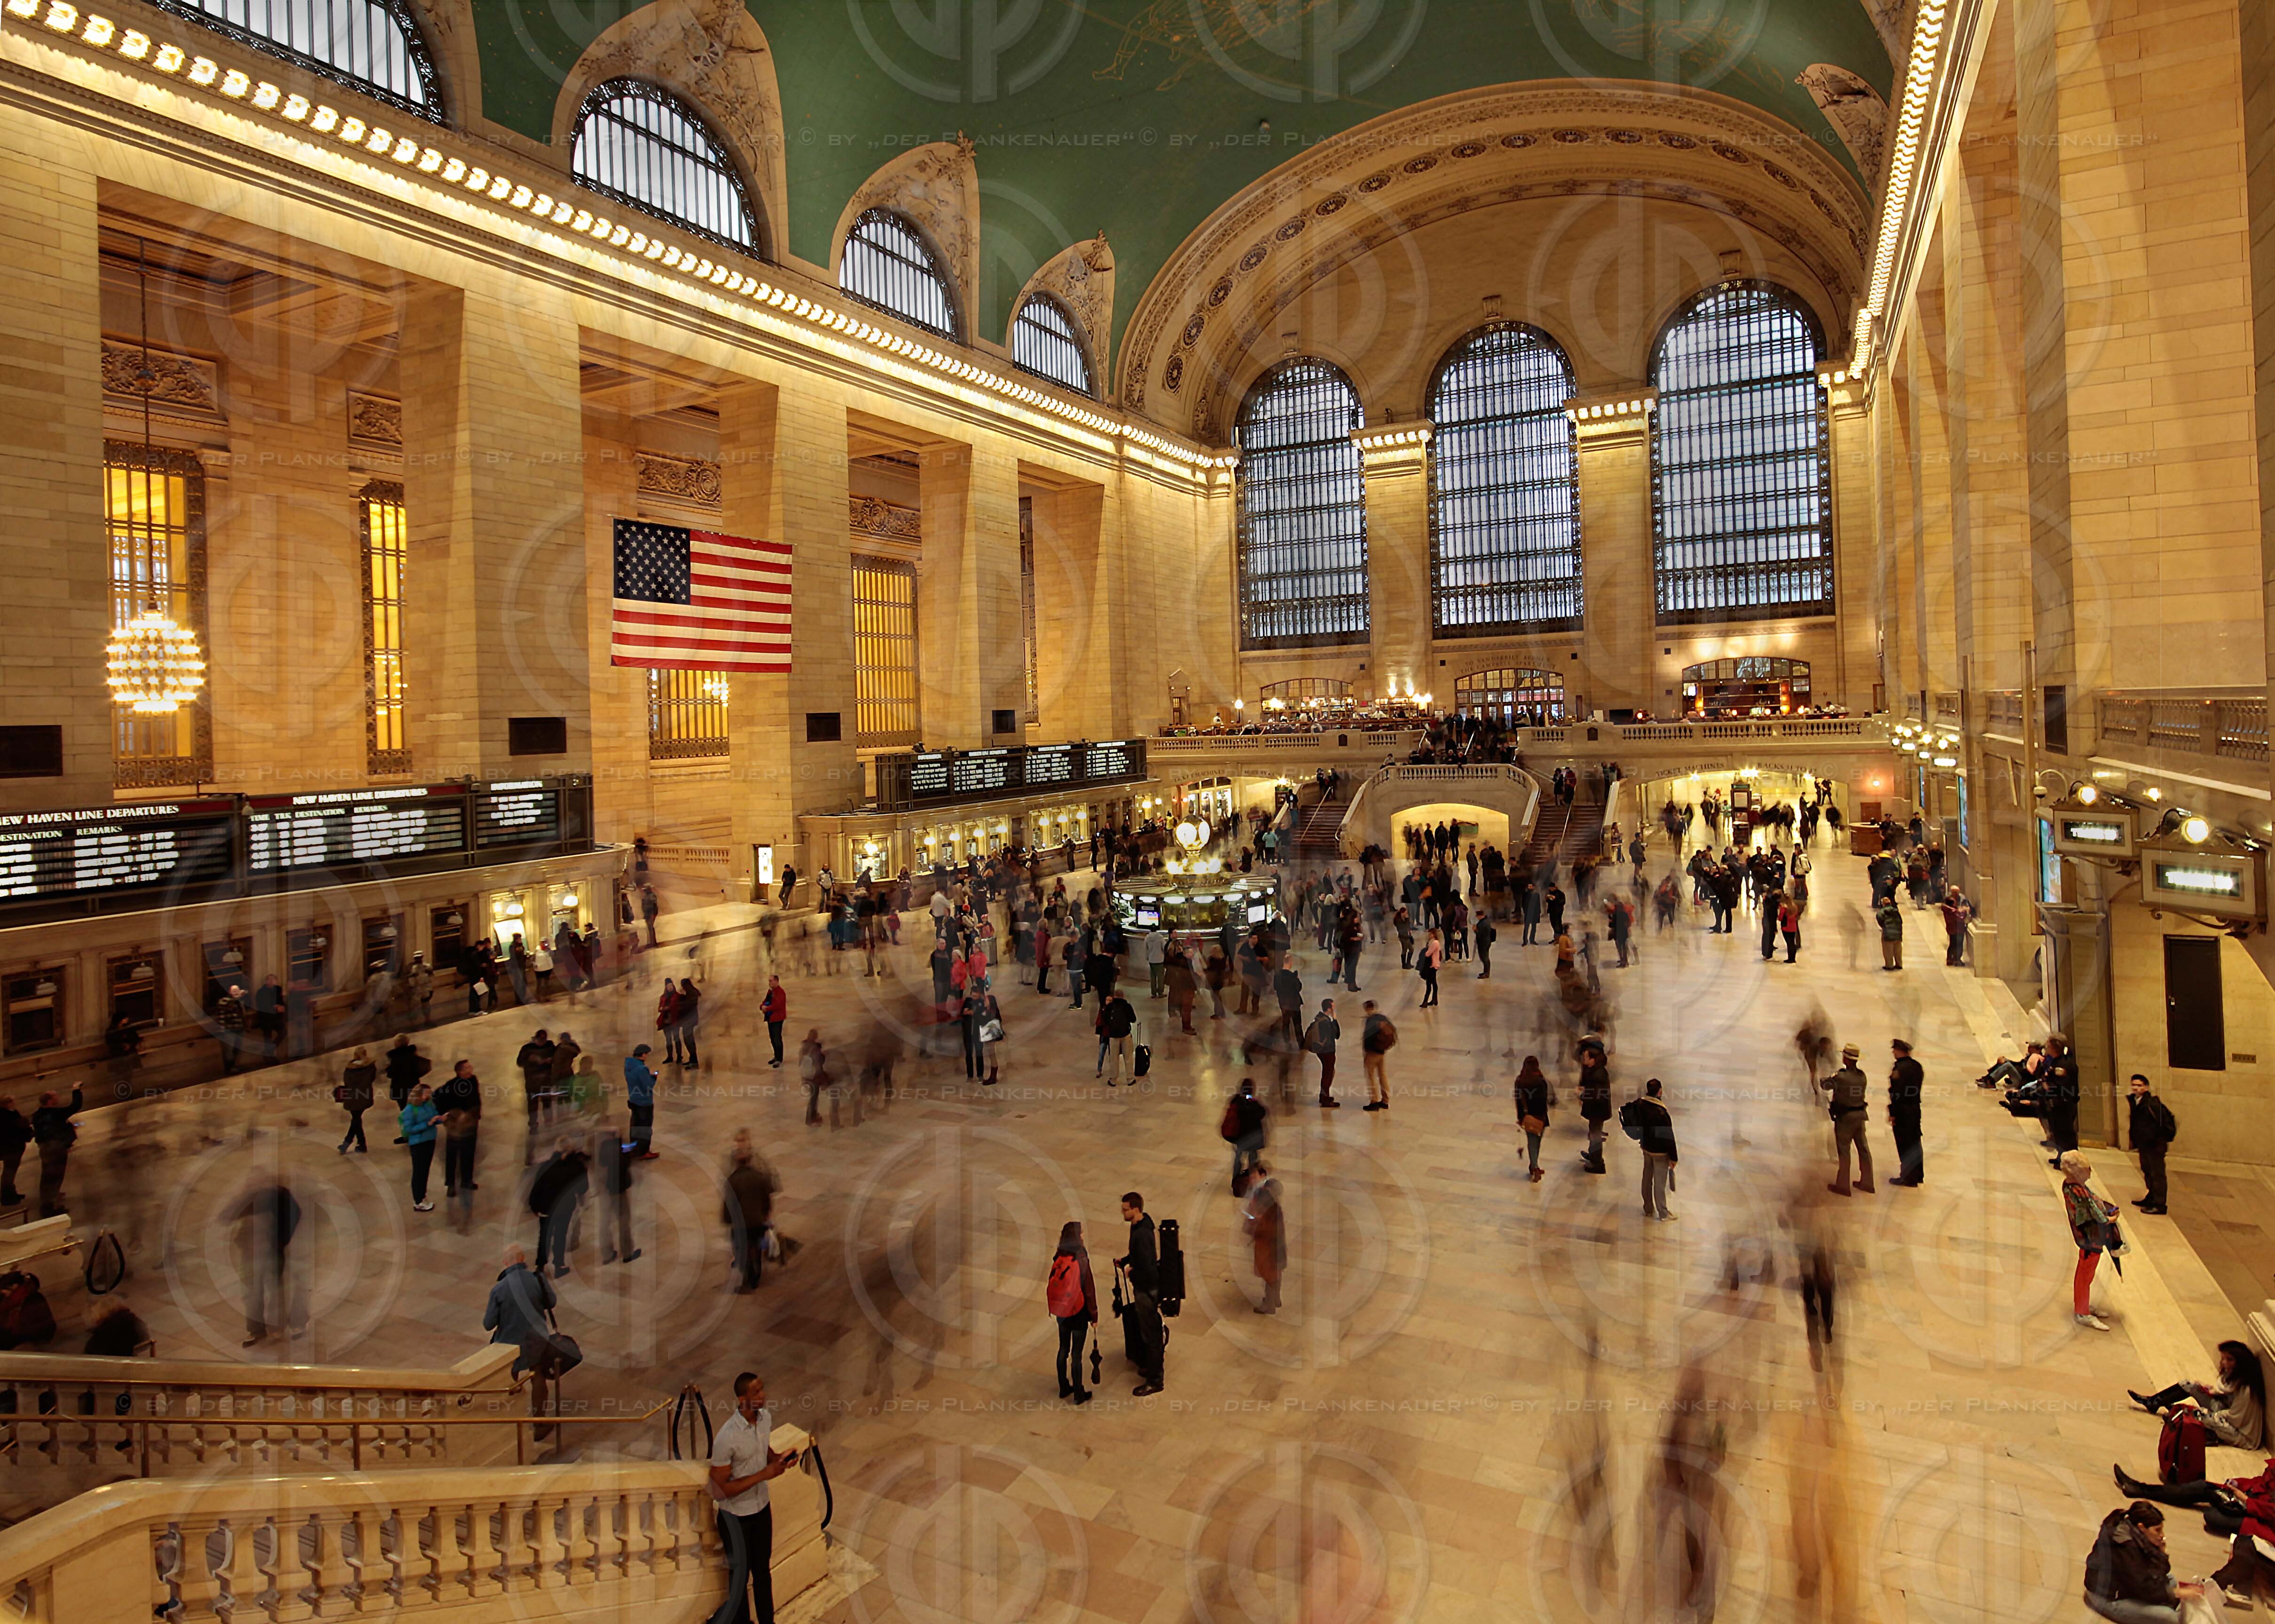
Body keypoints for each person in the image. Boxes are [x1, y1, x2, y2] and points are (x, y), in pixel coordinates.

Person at [710, 1371, 796, 1624]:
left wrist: (778, 1460)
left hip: (761, 1510)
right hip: (736, 1518)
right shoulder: (727, 1438)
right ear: (742, 1398)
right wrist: (764, 1475)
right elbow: (719, 1490)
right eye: (756, 1392)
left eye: (762, 1389)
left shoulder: (765, 1418)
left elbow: (763, 1450)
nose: (763, 1395)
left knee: (763, 1573)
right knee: (739, 1582)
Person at [2080, 1501, 2206, 1624]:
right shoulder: (2124, 1546)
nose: (2162, 1535)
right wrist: (2175, 1593)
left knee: (2171, 1581)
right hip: (2107, 1598)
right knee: (2169, 1617)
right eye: (2157, 1531)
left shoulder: (2138, 1538)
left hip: (2128, 1587)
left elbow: (2155, 1574)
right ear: (2141, 1527)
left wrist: (2161, 1552)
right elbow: (2144, 1588)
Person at [2127, 1341, 2267, 1451]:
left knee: (2199, 1414)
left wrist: (2211, 1413)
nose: (2224, 1363)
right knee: (2189, 1385)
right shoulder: (2233, 1378)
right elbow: (2227, 1399)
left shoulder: (2247, 1390)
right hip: (2226, 1415)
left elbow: (2236, 1419)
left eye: (2229, 1360)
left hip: (2239, 1433)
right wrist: (2210, 1393)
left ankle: (2185, 1420)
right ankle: (2154, 1403)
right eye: (2224, 1359)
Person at [481, 1243, 560, 1411]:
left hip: (508, 1344)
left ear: (505, 1262)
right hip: (537, 1338)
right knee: (538, 1375)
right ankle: (540, 1422)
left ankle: (509, 1418)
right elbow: (551, 1302)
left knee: (508, 1379)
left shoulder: (499, 1289)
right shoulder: (537, 1279)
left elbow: (488, 1324)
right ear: (523, 1259)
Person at [229, 1180, 305, 1347]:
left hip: (272, 1251)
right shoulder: (249, 1195)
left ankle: (276, 1327)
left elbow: (295, 1214)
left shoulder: (279, 1195)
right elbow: (230, 1214)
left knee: (275, 1291)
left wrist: (282, 1240)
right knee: (251, 1294)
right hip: (249, 1253)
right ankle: (256, 1330)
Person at [2062, 1150, 2119, 1331]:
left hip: (2090, 1236)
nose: (2090, 1172)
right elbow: (2092, 1212)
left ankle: (2083, 1304)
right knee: (2085, 1274)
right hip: (2089, 1237)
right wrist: (2108, 1220)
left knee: (2087, 1273)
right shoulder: (2078, 1191)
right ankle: (2082, 1312)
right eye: (2088, 1169)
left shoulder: (2071, 1186)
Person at [1117, 1192, 1164, 1397]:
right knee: (1148, 1331)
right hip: (1145, 1289)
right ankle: (1150, 1368)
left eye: (1126, 1209)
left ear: (1136, 1209)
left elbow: (1147, 1268)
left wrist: (1131, 1272)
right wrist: (1127, 1259)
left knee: (1151, 1335)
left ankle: (1155, 1380)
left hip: (1147, 1291)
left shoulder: (1142, 1234)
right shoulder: (1139, 1226)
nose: (1123, 1212)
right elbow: (1139, 1255)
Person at [1047, 1221, 1098, 1404]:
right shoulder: (1081, 1257)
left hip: (1062, 1311)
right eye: (1081, 1233)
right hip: (1078, 1312)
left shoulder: (1059, 1255)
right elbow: (1089, 1289)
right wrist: (1094, 1315)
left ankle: (1063, 1387)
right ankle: (1078, 1393)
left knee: (1063, 1350)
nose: (1083, 1235)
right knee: (1077, 1355)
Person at [1817, 1044, 1875, 1196]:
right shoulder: (1862, 1076)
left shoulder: (1841, 1077)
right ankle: (1868, 1182)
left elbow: (1825, 1085)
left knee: (1844, 1151)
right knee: (1863, 1149)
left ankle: (1843, 1185)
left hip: (1845, 1119)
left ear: (1847, 1059)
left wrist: (1826, 1071)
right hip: (1860, 1116)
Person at [527, 1136, 588, 1279]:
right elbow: (583, 1188)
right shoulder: (576, 1166)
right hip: (565, 1208)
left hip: (546, 1207)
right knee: (561, 1234)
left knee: (544, 1236)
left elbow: (537, 1188)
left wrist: (534, 1207)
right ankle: (559, 1264)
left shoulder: (546, 1165)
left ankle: (541, 1266)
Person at [725, 1145, 779, 1292]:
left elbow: (729, 1204)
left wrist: (728, 1219)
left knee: (740, 1246)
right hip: (758, 1221)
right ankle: (757, 1274)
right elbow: (767, 1198)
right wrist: (767, 1214)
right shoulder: (760, 1177)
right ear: (750, 1162)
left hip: (741, 1224)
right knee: (757, 1245)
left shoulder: (733, 1180)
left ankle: (745, 1272)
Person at [2128, 1074, 2176, 1215]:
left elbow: (2162, 1124)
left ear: (2146, 1087)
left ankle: (2160, 1204)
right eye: (2134, 1085)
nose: (2136, 1088)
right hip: (2144, 1144)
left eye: (2140, 1085)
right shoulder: (2136, 1101)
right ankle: (2151, 1197)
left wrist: (2156, 1139)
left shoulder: (2152, 1104)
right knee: (2148, 1172)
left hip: (2155, 1145)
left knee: (2157, 1174)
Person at [433, 1061, 482, 1199]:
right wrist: (448, 1115)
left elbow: (476, 1099)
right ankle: (451, 1184)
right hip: (457, 1128)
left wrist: (476, 1114)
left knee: (469, 1153)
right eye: (467, 1067)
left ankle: (467, 1180)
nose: (471, 1068)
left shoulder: (473, 1080)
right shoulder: (452, 1085)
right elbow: (437, 1097)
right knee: (452, 1156)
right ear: (460, 1072)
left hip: (471, 1125)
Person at [31, 1085, 81, 1218]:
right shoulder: (56, 1113)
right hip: (57, 1148)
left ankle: (46, 1205)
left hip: (44, 1149)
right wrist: (76, 1090)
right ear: (50, 1102)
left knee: (47, 1177)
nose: (58, 1099)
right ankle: (52, 1208)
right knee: (56, 1177)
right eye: (55, 1098)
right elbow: (75, 1106)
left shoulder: (36, 1116)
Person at [1632, 1078, 1677, 1221]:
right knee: (1660, 1183)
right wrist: (1674, 1157)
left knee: (1647, 1178)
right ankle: (1663, 1212)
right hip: (1660, 1152)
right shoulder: (1661, 1113)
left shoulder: (1640, 1105)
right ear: (1660, 1091)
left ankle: (1648, 1208)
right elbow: (1668, 1137)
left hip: (1646, 1147)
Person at [1243, 1166, 1287, 1314]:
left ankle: (1270, 1305)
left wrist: (1252, 1225)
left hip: (1269, 1246)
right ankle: (1276, 1299)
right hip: (1277, 1244)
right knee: (1276, 1272)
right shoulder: (1276, 1207)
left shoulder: (1268, 1208)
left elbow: (1263, 1227)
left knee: (1270, 1274)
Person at [594, 1122, 638, 1265]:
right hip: (618, 1190)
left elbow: (599, 1165)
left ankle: (607, 1255)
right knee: (624, 1220)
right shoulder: (620, 1148)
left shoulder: (600, 1147)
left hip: (604, 1189)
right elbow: (627, 1162)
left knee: (605, 1222)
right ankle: (627, 1253)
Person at [1887, 1039, 1925, 1187]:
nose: (1893, 1053)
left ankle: (1908, 1177)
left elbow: (1897, 1093)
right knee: (1915, 1141)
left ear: (1900, 1051)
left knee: (1905, 1143)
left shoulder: (1900, 1068)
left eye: (1895, 1050)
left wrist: (1893, 1112)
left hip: (1903, 1110)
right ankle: (1918, 1174)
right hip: (1915, 1108)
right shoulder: (1917, 1066)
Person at [2044, 1033, 2083, 1166]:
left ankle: (2072, 1162)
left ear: (2054, 1048)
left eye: (2048, 1046)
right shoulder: (2058, 1060)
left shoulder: (2063, 1065)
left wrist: (2047, 1087)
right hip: (2058, 1103)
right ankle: (2061, 1157)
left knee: (2066, 1135)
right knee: (2059, 1133)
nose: (2046, 1048)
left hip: (2064, 1104)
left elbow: (2061, 1087)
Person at [400, 1083, 438, 1211]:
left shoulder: (428, 1105)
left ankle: (423, 1197)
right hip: (419, 1144)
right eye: (426, 1094)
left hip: (430, 1140)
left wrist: (440, 1119)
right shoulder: (410, 1110)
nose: (428, 1096)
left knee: (425, 1171)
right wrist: (428, 1124)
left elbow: (434, 1116)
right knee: (419, 1172)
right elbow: (409, 1129)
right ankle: (418, 1200)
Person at [1514, 1055, 1552, 1183]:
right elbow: (1545, 1099)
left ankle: (1534, 1166)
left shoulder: (1520, 1081)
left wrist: (1520, 1117)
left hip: (1528, 1116)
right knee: (1538, 1141)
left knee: (1532, 1142)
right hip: (1541, 1116)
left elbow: (1518, 1101)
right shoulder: (1541, 1081)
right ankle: (1535, 1166)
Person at [1576, 1038, 1611, 1175]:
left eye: (1586, 1057)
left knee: (1595, 1136)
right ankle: (1593, 1155)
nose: (1583, 1060)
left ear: (1593, 1060)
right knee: (1593, 1133)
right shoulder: (1595, 1070)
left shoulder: (1598, 1075)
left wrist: (1581, 1096)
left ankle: (1597, 1164)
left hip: (1598, 1111)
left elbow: (1595, 1095)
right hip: (1597, 1110)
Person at [384, 1035, 429, 1140]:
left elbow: (390, 1074)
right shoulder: (412, 1054)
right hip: (413, 1086)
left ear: (397, 1044)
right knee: (416, 1109)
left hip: (400, 1088)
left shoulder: (395, 1058)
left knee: (405, 1112)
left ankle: (408, 1135)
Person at [1226, 1077, 1268, 1184]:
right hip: (1252, 1138)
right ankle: (1251, 1182)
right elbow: (1262, 1113)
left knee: (1238, 1159)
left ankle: (1235, 1181)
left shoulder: (1236, 1100)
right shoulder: (1252, 1102)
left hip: (1239, 1137)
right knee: (1253, 1160)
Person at [337, 1047, 376, 1154]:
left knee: (356, 1120)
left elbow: (347, 1082)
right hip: (364, 1096)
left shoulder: (349, 1069)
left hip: (352, 1097)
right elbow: (372, 1078)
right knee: (356, 1120)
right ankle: (361, 1144)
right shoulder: (370, 1067)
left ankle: (348, 1144)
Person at [624, 1044, 659, 1159]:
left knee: (635, 1126)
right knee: (645, 1128)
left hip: (634, 1100)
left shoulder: (629, 1066)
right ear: (643, 1055)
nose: (647, 1056)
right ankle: (644, 1152)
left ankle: (634, 1149)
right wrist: (654, 1077)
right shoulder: (642, 1069)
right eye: (647, 1054)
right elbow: (648, 1086)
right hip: (644, 1102)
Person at [1096, 988, 1137, 1085]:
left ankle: (1113, 1080)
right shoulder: (1127, 1006)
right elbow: (1133, 1019)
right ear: (1123, 996)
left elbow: (1105, 1021)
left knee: (1114, 1059)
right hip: (1126, 1035)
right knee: (1128, 1057)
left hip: (1113, 1036)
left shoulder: (1110, 1007)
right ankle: (1130, 1079)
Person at [1360, 1001, 1396, 1112]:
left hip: (1372, 1053)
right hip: (1382, 1052)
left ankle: (1374, 1101)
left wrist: (1366, 1050)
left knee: (1371, 1077)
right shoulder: (1383, 1018)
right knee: (1382, 1075)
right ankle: (1385, 1100)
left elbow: (1368, 1037)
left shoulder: (1370, 1020)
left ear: (1367, 1009)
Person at [1307, 998, 1342, 1108]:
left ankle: (1323, 1096)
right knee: (1328, 1074)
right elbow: (1336, 1035)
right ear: (1329, 1009)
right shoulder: (1326, 1022)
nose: (1334, 1009)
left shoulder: (1319, 1018)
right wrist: (1335, 1020)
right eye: (1333, 1007)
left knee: (1327, 1073)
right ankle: (1325, 1099)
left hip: (1322, 1051)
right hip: (1328, 1051)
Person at [0, 1097, 26, 1207]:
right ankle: (7, 1198)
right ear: (9, 1104)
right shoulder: (7, 1116)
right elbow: (17, 1128)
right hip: (11, 1148)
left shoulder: (9, 1114)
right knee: (9, 1173)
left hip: (11, 1147)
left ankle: (12, 1193)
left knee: (9, 1172)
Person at [761, 976, 787, 1069]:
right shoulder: (770, 992)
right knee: (772, 1038)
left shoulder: (780, 993)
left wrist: (767, 1008)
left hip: (777, 1019)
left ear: (777, 981)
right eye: (769, 981)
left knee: (777, 1039)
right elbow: (765, 1001)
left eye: (771, 981)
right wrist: (762, 1007)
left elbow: (777, 1006)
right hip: (770, 1018)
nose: (770, 983)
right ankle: (776, 1056)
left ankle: (779, 1059)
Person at [1875, 896, 1905, 970]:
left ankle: (1889, 965)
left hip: (1888, 934)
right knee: (1898, 950)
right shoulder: (1896, 911)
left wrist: (1885, 928)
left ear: (1883, 904)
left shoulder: (1881, 913)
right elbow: (1901, 921)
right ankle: (1899, 964)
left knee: (1888, 950)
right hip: (1898, 933)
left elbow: (1880, 922)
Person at [1417, 928, 1443, 1008]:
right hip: (1433, 965)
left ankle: (1426, 1001)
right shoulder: (1433, 943)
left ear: (1434, 935)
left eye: (1430, 934)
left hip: (1432, 965)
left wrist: (1425, 952)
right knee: (1434, 983)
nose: (1429, 936)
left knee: (1429, 983)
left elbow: (1428, 954)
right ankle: (1434, 1000)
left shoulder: (1435, 943)